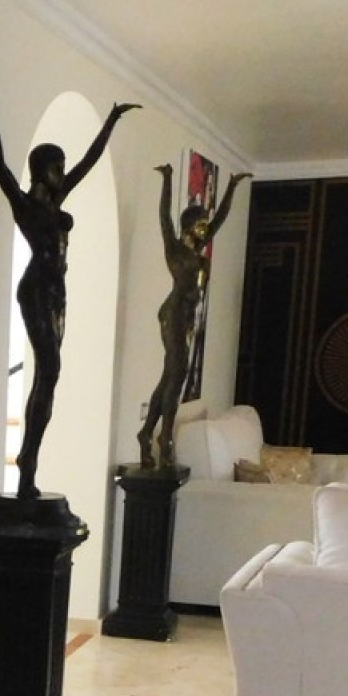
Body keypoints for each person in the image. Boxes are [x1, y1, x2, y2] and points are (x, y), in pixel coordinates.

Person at [0, 97, 139, 499]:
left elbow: (88, 162)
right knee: (49, 369)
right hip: (35, 289)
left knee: (49, 376)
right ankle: (27, 461)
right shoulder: (25, 205)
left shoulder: (57, 200)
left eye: (62, 168)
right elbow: (0, 168)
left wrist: (111, 120)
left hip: (57, 291)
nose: (63, 174)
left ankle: (29, 460)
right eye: (57, 168)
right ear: (41, 171)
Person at [138, 163, 249, 469]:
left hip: (187, 316)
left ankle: (148, 433)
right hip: (173, 314)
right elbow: (164, 216)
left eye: (204, 224)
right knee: (177, 376)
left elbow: (220, 218)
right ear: (188, 225)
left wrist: (231, 187)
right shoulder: (175, 249)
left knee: (171, 376)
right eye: (200, 224)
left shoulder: (199, 247)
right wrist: (168, 179)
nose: (204, 229)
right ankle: (164, 438)